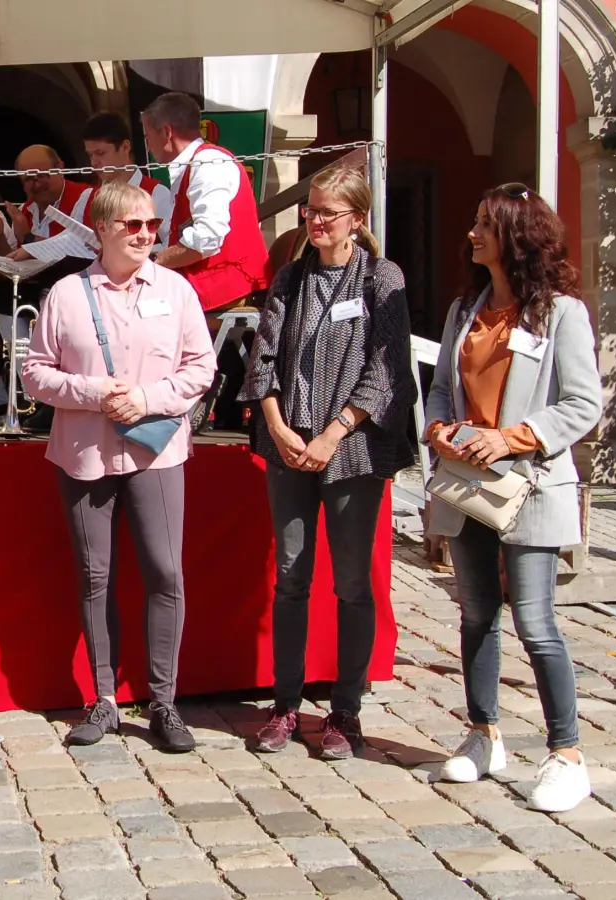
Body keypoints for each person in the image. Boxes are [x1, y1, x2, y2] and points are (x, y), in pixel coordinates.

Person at [20, 181, 216, 752]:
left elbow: (200, 368)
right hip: (85, 453)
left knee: (165, 573)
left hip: (157, 451)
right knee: (95, 575)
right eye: (133, 225)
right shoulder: (66, 294)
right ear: (102, 230)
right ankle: (104, 698)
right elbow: (35, 373)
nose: (145, 234)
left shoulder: (176, 290)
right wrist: (93, 391)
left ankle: (163, 701)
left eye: (152, 225)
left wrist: (147, 399)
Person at [427, 184, 602, 812]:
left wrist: (511, 438)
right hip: (467, 485)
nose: (472, 233)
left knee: (535, 620)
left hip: (530, 484)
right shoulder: (463, 312)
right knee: (476, 613)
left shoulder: (562, 314)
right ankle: (484, 734)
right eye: (475, 222)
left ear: (517, 236)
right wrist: (439, 428)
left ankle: (567, 755)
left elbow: (582, 403)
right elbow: (442, 388)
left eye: (485, 225)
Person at [239, 166, 416, 759]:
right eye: (310, 210)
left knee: (351, 583)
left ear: (356, 220)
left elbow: (387, 372)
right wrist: (277, 425)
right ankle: (285, 705)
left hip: (353, 451)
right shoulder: (291, 277)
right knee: (291, 578)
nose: (314, 221)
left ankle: (345, 711)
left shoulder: (380, 278)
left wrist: (335, 432)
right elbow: (263, 358)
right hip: (289, 445)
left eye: (327, 213)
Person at [140, 92, 269, 313]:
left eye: (147, 137)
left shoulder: (208, 163)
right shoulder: (195, 164)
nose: (148, 146)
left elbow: (207, 238)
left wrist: (154, 262)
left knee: (141, 310)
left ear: (167, 132)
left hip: (227, 285)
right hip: (208, 282)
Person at [82, 112, 172, 253]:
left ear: (125, 147)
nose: (94, 162)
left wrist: (126, 251)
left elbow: (172, 244)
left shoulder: (157, 193)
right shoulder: (88, 196)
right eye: (90, 155)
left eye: (100, 153)